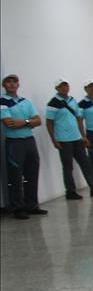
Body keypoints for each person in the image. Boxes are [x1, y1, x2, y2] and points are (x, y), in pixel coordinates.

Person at [1, 73, 46, 218]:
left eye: (15, 82)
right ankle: (18, 207)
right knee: (15, 176)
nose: (12, 84)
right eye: (9, 82)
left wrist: (24, 122)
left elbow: (38, 120)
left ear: (18, 84)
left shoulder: (25, 102)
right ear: (4, 85)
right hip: (14, 143)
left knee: (32, 174)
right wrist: (28, 122)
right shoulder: (3, 102)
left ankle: (32, 205)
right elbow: (10, 123)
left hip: (29, 141)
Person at [46, 78, 93, 199]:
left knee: (86, 163)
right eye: (61, 86)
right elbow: (49, 123)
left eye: (66, 85)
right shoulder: (52, 103)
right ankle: (70, 191)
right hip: (64, 140)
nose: (64, 88)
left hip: (77, 138)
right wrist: (54, 140)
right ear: (57, 88)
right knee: (68, 166)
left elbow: (78, 118)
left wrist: (83, 136)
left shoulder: (72, 100)